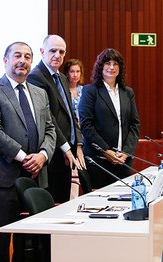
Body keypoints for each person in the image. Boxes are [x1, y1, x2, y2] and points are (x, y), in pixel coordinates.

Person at [0, 42, 56, 262]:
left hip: (38, 177)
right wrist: (23, 156)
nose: (23, 61)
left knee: (32, 245)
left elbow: (50, 129)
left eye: (28, 56)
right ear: (5, 59)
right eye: (17, 55)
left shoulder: (40, 93)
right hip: (5, 180)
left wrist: (43, 155)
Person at [27, 35, 85, 203]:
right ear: (42, 51)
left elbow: (71, 113)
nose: (57, 55)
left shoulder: (62, 77)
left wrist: (78, 144)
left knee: (63, 203)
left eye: (61, 52)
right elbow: (49, 118)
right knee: (52, 206)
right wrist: (65, 147)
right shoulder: (36, 77)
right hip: (52, 152)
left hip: (68, 152)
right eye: (53, 51)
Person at [78, 48, 140, 189]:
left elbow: (134, 124)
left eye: (115, 64)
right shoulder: (90, 91)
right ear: (100, 67)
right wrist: (105, 150)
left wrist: (126, 152)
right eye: (107, 63)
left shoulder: (127, 92)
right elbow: (86, 125)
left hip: (122, 161)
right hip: (98, 161)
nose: (111, 67)